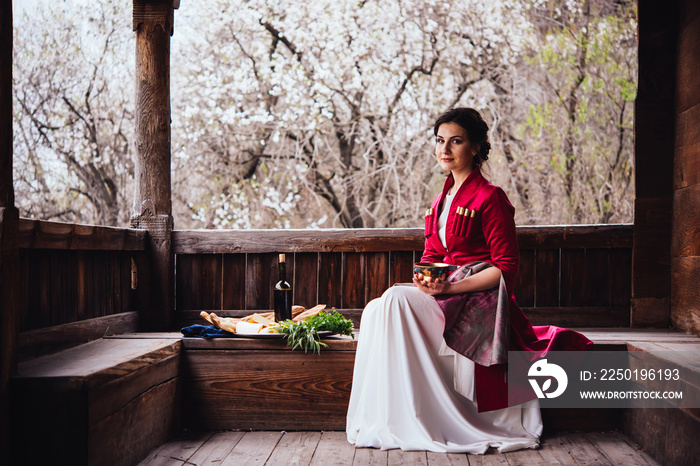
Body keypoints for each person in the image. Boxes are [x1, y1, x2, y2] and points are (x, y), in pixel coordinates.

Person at [346, 107, 591, 454]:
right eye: (439, 141)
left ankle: (438, 420)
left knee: (394, 301)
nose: (444, 149)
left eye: (455, 141)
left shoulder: (491, 198)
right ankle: (389, 419)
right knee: (375, 309)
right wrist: (427, 281)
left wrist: (450, 288)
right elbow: (432, 258)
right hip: (446, 295)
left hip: (479, 301)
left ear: (475, 147)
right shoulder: (439, 202)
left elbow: (506, 268)